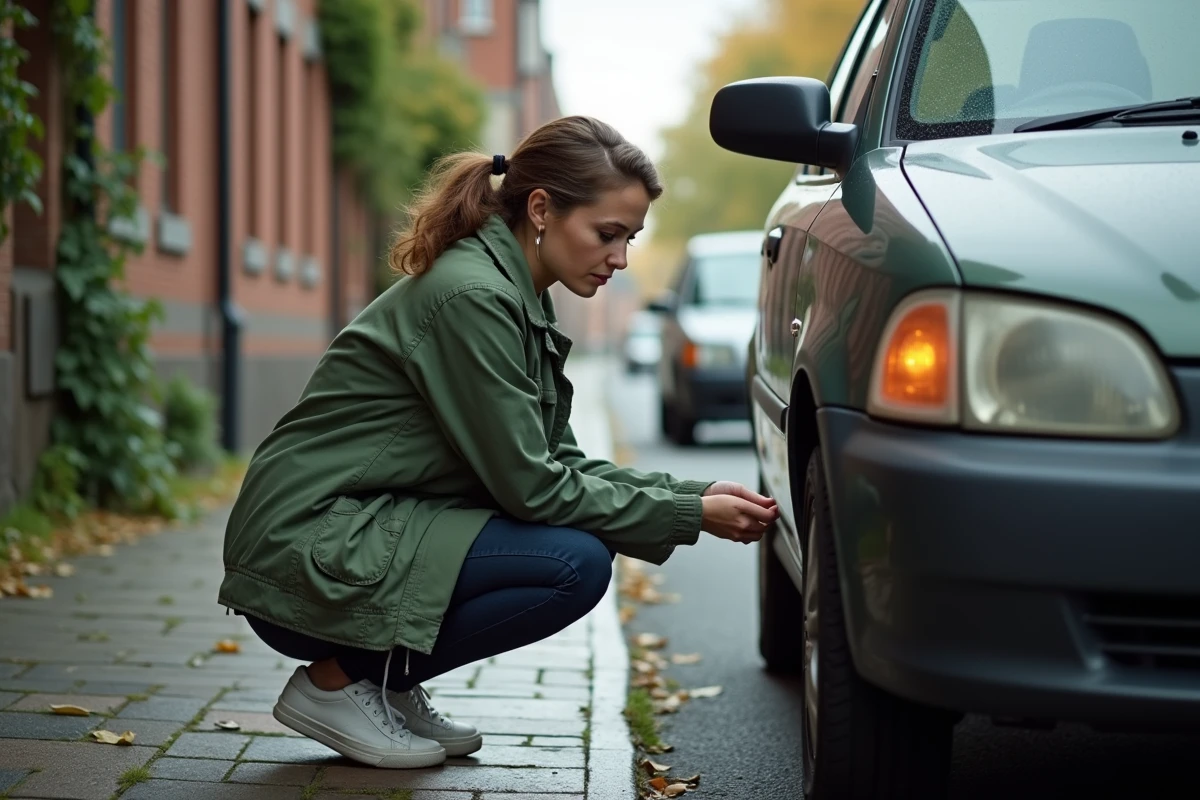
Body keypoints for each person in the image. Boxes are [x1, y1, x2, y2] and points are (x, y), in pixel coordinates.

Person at [217, 116, 779, 769]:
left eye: (630, 238)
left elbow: (556, 461)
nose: (621, 259)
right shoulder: (474, 297)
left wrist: (690, 491)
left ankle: (386, 683)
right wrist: (686, 515)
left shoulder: (514, 293)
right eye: (607, 234)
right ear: (541, 208)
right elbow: (532, 486)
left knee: (570, 545)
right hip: (308, 544)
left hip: (361, 525)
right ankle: (336, 682)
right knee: (573, 563)